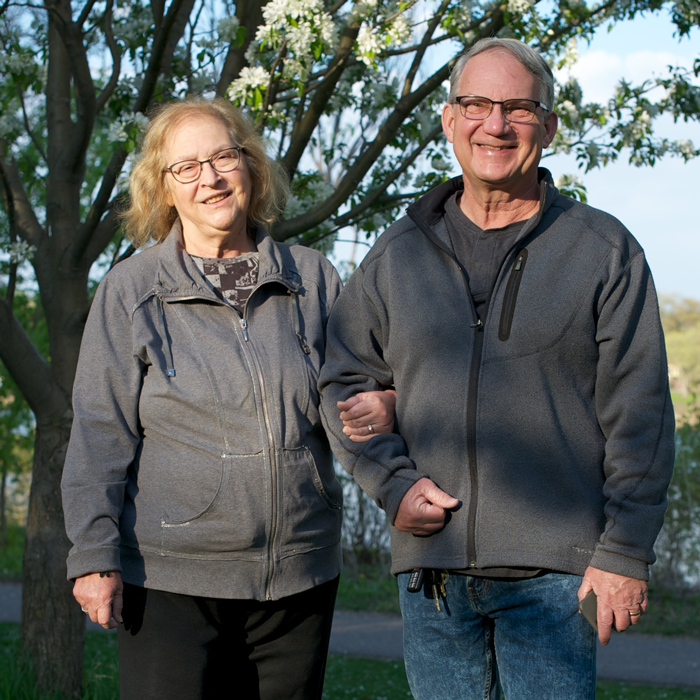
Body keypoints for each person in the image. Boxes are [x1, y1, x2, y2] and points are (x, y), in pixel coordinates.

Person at [319, 38, 675, 700]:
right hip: (434, 581)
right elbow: (343, 384)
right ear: (450, 120)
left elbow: (642, 413)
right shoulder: (397, 255)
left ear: (548, 125)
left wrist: (624, 551)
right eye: (476, 104)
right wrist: (393, 485)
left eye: (517, 106)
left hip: (558, 581)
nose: (496, 124)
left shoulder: (604, 251)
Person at [61, 97, 396, 700]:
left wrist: (397, 458)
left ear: (251, 166)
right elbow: (99, 432)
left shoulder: (313, 278)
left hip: (300, 576)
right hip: (170, 580)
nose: (210, 179)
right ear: (162, 190)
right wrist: (93, 554)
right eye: (186, 167)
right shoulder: (131, 292)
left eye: (222, 157)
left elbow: (348, 406)